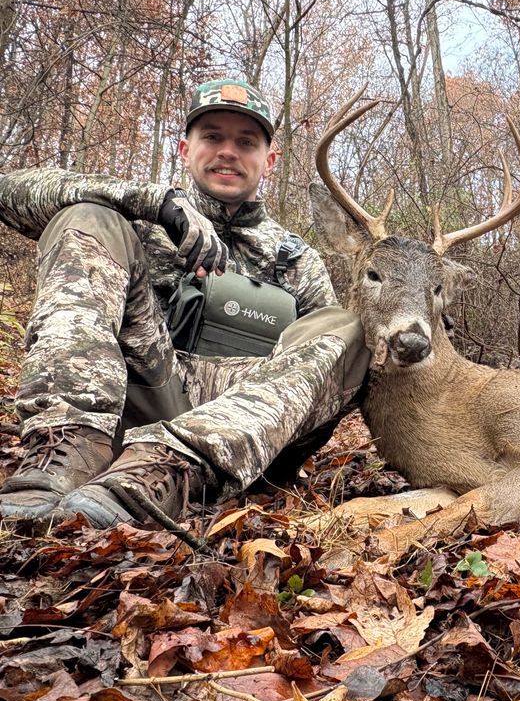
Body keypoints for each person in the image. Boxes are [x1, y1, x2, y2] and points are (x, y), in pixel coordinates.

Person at [0, 78, 369, 531]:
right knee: (87, 217)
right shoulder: (145, 219)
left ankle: (168, 467)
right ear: (184, 148)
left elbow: (330, 380)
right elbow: (10, 193)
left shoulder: (296, 259)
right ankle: (67, 444)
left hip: (243, 436)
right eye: (212, 136)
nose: (227, 151)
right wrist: (156, 203)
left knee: (348, 328)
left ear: (269, 160)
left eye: (246, 142)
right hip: (145, 394)